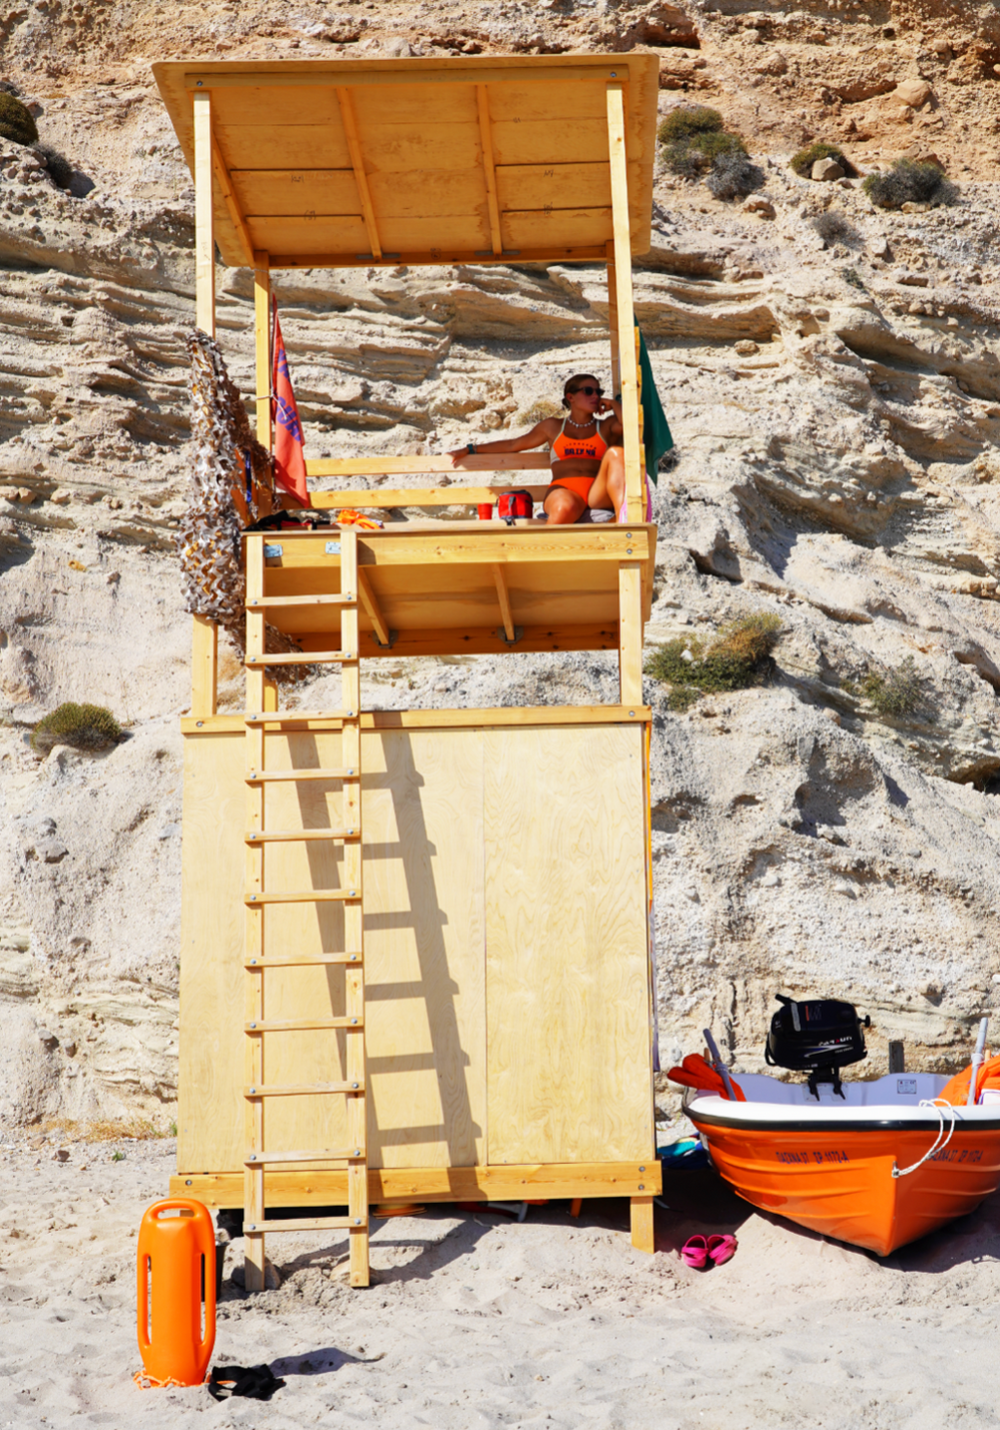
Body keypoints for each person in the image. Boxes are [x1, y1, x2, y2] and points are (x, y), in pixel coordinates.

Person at [448, 374, 629, 525]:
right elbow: (513, 445)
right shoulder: (553, 427)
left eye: (599, 391)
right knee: (565, 506)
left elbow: (632, 430)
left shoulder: (605, 426)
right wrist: (471, 449)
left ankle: (626, 523)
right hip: (565, 490)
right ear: (570, 397)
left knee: (617, 453)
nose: (595, 396)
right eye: (588, 391)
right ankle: (545, 554)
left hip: (596, 495)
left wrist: (614, 404)